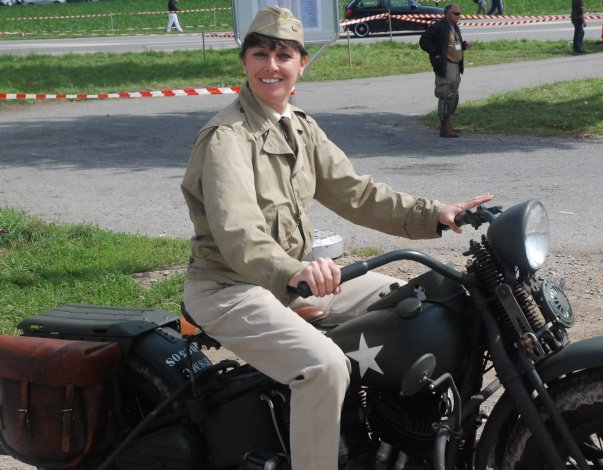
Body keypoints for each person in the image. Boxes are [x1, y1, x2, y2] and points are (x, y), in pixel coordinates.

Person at [180, 6, 494, 469]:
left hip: (290, 283)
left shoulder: (300, 127)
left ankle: (405, 439)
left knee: (417, 303)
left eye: (284, 55)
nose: (271, 66)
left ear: (301, 64)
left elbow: (357, 194)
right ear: (244, 61)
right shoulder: (227, 138)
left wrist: (436, 213)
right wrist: (296, 272)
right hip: (230, 289)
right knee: (323, 367)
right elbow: (238, 231)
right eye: (260, 54)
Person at [419, 4, 471, 138]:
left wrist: (464, 45)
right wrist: (436, 53)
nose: (459, 16)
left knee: (454, 95)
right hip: (445, 64)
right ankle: (444, 128)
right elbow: (423, 40)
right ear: (447, 14)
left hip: (456, 65)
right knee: (445, 94)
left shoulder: (455, 27)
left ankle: (448, 125)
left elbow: (454, 44)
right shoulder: (439, 26)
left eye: (459, 13)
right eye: (456, 13)